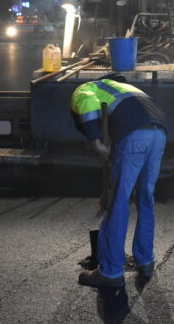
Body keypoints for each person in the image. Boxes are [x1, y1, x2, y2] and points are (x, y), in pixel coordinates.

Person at [70, 74, 168, 288]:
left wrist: (95, 140)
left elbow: (87, 104)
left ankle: (111, 272)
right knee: (145, 198)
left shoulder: (87, 87)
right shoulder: (125, 90)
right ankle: (145, 261)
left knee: (119, 203)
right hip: (158, 133)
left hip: (134, 134)